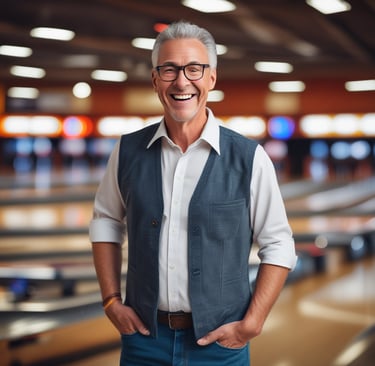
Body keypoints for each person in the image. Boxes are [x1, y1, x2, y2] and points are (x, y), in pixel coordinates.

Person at [89, 20, 297, 366]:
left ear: (211, 78)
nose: (181, 81)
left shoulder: (249, 158)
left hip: (220, 344)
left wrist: (253, 323)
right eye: (169, 70)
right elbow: (106, 223)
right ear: (155, 80)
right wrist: (111, 300)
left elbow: (279, 243)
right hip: (144, 341)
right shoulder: (126, 151)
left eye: (194, 69)